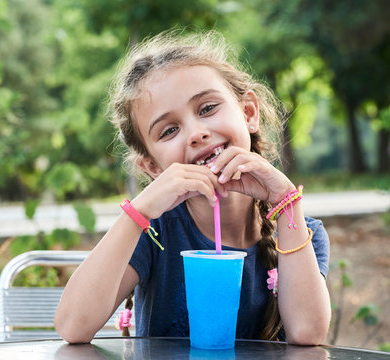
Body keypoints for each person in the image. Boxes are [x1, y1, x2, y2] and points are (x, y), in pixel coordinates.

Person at [54, 29, 331, 345]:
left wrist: (287, 202)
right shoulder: (154, 233)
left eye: (208, 108)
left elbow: (307, 332)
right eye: (169, 130)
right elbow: (72, 327)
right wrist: (138, 213)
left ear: (248, 113)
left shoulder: (298, 232)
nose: (196, 133)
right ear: (153, 167)